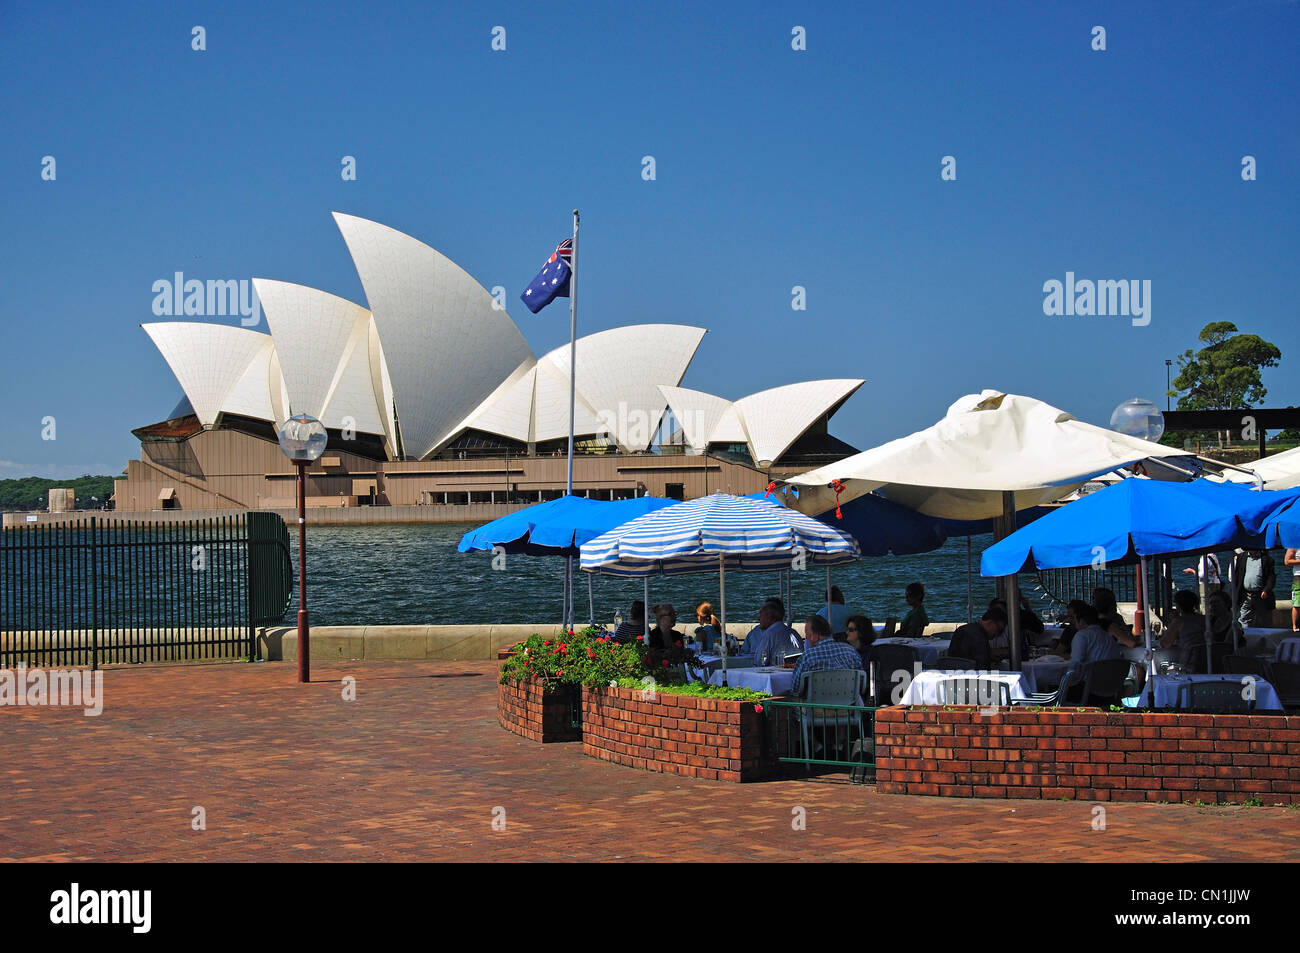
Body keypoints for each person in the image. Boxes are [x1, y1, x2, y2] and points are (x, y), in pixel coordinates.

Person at [789, 614, 864, 698]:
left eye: (807, 634)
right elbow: (861, 683)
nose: (807, 637)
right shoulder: (851, 651)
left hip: (816, 708)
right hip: (848, 708)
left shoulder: (808, 657)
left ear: (816, 636)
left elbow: (795, 689)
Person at [1061, 603, 1123, 700]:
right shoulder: (1107, 636)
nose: (1073, 622)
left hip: (1088, 691)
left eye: (1074, 619)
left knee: (1053, 686)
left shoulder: (1082, 635)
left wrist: (1064, 682)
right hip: (1111, 690)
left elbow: (1076, 663)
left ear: (1081, 621)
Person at [743, 599, 802, 665]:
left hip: (776, 673)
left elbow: (760, 662)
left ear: (769, 617)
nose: (758, 618)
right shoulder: (794, 633)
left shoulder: (769, 634)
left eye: (761, 614)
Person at [1160, 589, 1205, 669]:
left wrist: (1173, 620)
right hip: (1207, 660)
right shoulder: (1204, 619)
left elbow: (1165, 644)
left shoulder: (1179, 621)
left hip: (1189, 661)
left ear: (1179, 606)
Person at [1232, 549, 1276, 628]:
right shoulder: (1241, 557)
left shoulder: (1267, 559)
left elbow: (1271, 578)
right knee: (1243, 619)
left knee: (1264, 621)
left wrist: (1266, 590)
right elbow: (1237, 576)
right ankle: (1245, 637)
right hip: (1245, 595)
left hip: (1260, 596)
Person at [1287, 548, 1300, 631]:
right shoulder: (1293, 545)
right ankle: (1295, 627)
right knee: (1297, 604)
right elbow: (1287, 561)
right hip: (1298, 577)